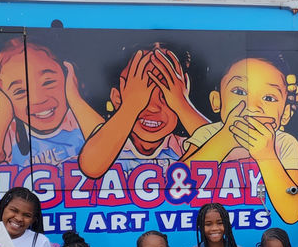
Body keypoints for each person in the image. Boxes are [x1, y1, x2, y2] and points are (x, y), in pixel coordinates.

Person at [181, 56, 298, 224]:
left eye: (269, 98)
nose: (252, 106)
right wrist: (225, 138)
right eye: (240, 92)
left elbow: (293, 214)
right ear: (216, 101)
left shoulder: (284, 143)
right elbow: (176, 183)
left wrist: (266, 154)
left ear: (284, 114)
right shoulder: (207, 134)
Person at [0, 40, 103, 170]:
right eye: (19, 91)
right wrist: (4, 111)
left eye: (48, 82)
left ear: (68, 76)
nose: (38, 99)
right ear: (2, 95)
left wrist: (75, 98)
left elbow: (108, 149)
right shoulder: (12, 132)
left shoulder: (79, 118)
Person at [78, 45, 208, 178]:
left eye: (166, 94)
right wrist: (130, 107)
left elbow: (227, 154)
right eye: (140, 93)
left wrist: (181, 104)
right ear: (117, 98)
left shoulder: (186, 146)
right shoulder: (104, 140)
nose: (153, 107)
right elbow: (91, 167)